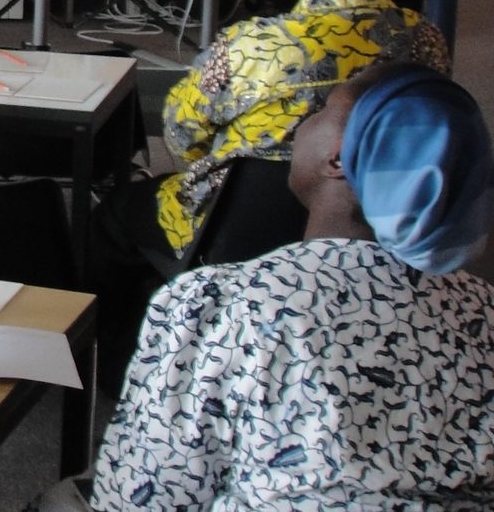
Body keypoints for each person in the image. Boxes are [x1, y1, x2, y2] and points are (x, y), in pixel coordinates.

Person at [87, 0, 450, 386]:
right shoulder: (426, 41)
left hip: (236, 230)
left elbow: (183, 136)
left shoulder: (251, 46)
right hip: (380, 227)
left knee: (113, 219)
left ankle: (120, 372)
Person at [82, 63, 494, 510]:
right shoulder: (483, 312)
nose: (302, 122)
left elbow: (144, 496)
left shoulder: (221, 305)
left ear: (336, 159)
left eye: (318, 112)